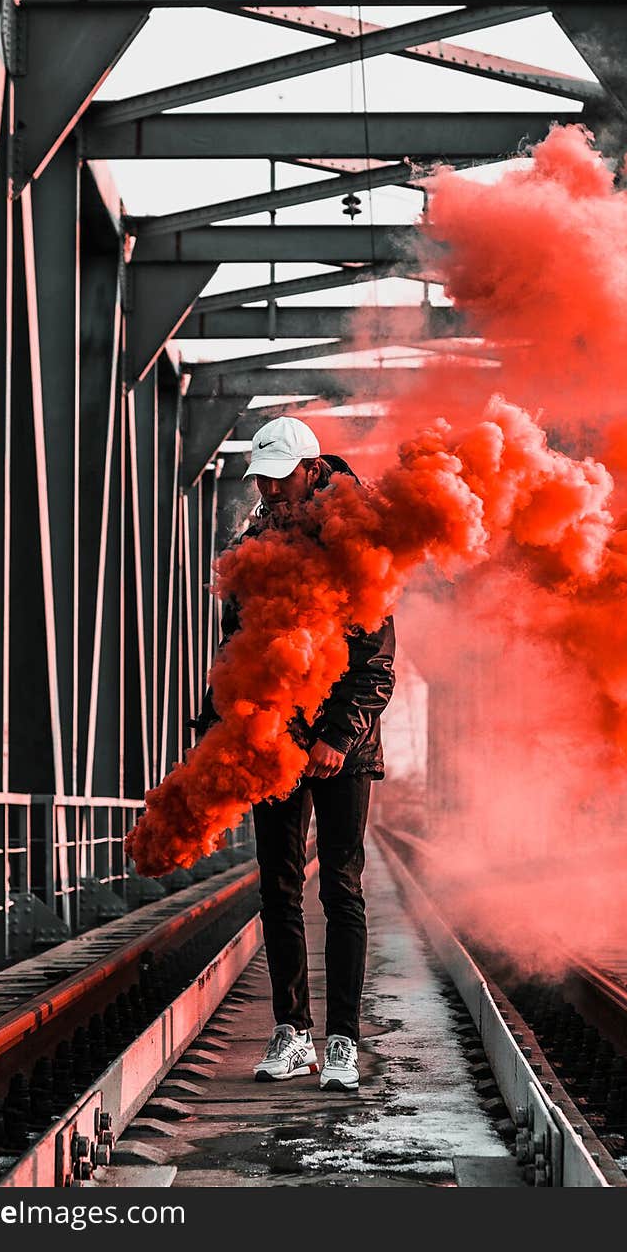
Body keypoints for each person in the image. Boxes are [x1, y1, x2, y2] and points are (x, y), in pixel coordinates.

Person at [196, 416, 396, 1092]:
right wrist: (220, 729)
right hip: (278, 742)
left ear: (313, 470)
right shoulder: (257, 538)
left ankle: (343, 1042)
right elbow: (237, 649)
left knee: (341, 891)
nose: (270, 488)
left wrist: (341, 736)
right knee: (279, 889)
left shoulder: (357, 540)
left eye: (280, 476)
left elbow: (375, 663)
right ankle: (293, 1035)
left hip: (345, 753)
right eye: (263, 478)